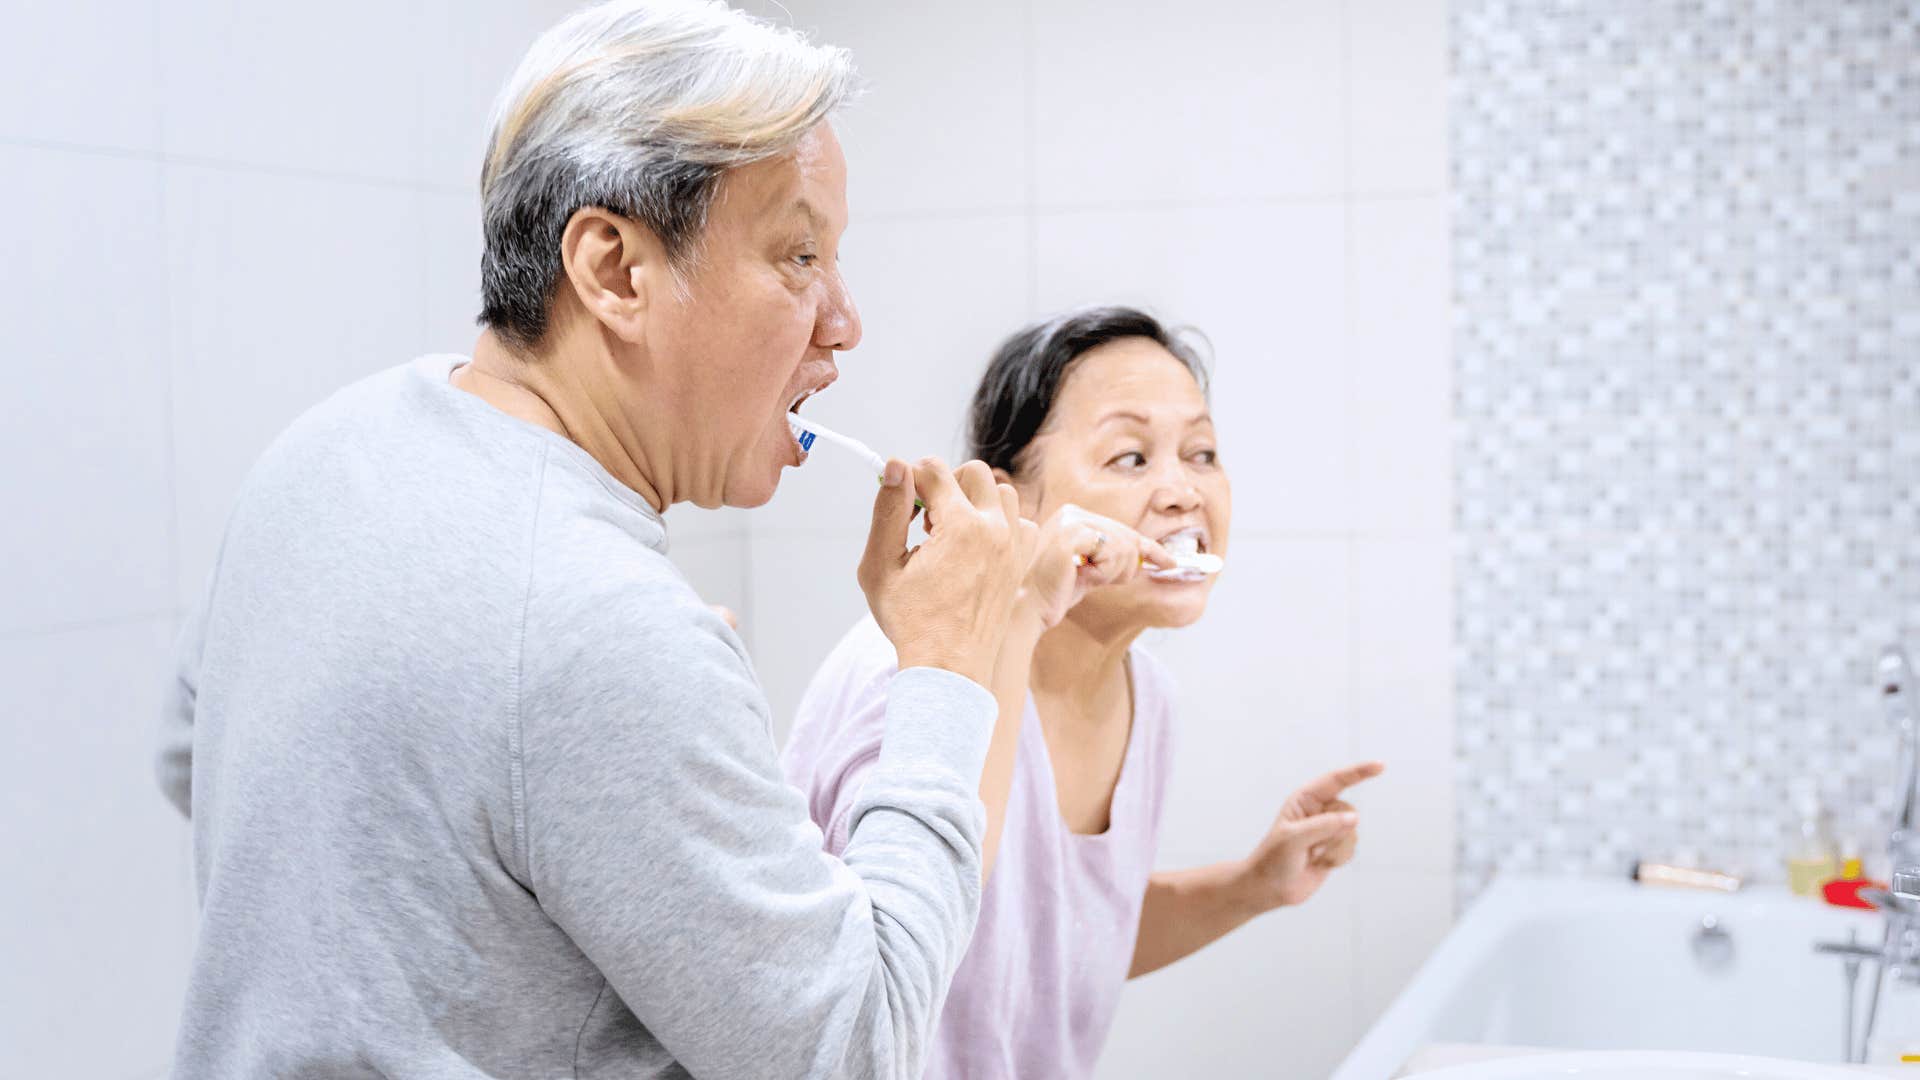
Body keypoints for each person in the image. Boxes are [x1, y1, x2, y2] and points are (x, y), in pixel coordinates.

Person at [152, 3, 1047, 1076]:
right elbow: (857, 1047)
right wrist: (947, 665)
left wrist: (562, 771)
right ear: (615, 270)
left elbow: (190, 751)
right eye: (799, 255)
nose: (843, 321)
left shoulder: (325, 447)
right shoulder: (602, 630)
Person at [784, 305, 1384, 1079]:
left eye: (1201, 453)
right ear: (1011, 503)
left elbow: (1057, 944)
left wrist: (1252, 886)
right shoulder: (917, 675)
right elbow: (859, 980)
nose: (1182, 493)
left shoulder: (1149, 700)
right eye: (1130, 458)